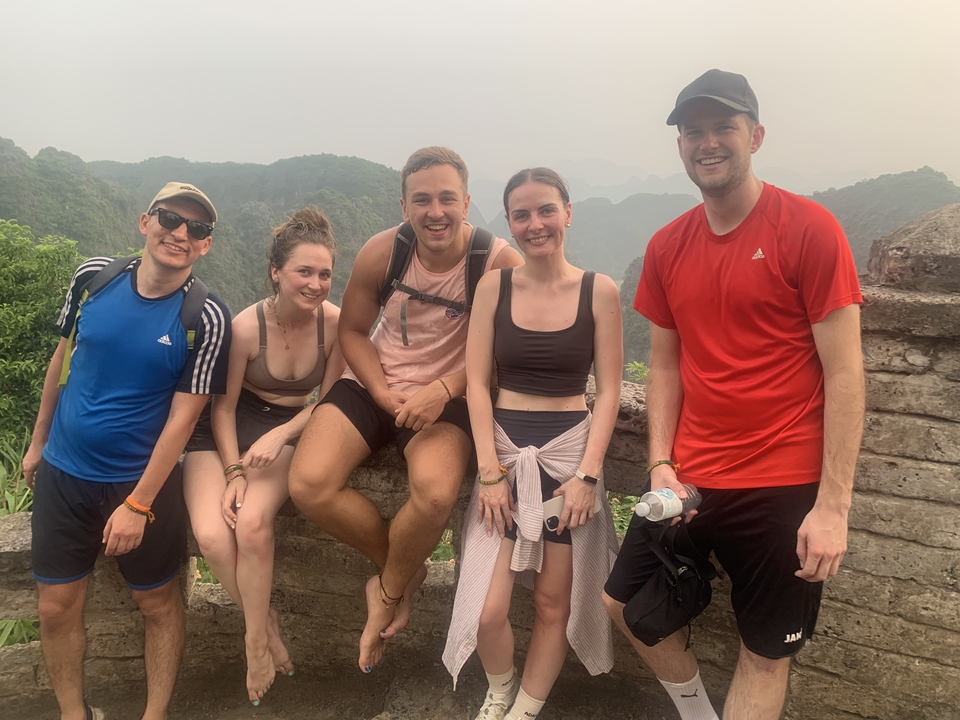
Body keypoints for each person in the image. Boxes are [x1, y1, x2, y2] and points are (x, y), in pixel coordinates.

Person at [601, 69, 865, 720]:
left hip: (783, 481)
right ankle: (696, 711)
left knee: (764, 651)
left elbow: (846, 372)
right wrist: (661, 461)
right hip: (690, 478)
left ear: (756, 136)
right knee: (620, 603)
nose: (707, 142)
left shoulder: (809, 229)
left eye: (724, 127)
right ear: (681, 145)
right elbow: (664, 368)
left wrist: (833, 505)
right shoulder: (667, 247)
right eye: (694, 131)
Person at [288, 146, 523, 674]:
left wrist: (444, 387)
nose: (434, 211)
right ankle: (404, 570)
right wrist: (378, 390)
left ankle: (389, 592)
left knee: (436, 493)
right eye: (422, 200)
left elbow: (508, 353)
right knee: (308, 483)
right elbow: (352, 331)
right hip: (375, 383)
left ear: (466, 201)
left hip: (450, 398)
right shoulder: (383, 252)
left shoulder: (496, 262)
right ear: (403, 205)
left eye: (446, 198)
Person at [21, 183, 231, 720]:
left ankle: (153, 714)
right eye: (169, 218)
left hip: (142, 484)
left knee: (158, 603)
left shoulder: (205, 316)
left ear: (206, 245)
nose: (179, 233)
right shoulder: (93, 277)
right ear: (145, 221)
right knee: (55, 606)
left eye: (196, 228)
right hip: (64, 473)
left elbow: (185, 418)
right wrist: (38, 441)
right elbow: (62, 359)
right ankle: (75, 713)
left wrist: (138, 504)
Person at [444, 168, 623, 720]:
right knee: (487, 610)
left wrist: (588, 476)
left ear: (568, 212)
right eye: (521, 214)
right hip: (505, 456)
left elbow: (611, 389)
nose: (535, 224)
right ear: (510, 223)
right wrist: (490, 472)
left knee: (553, 604)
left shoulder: (599, 290)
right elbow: (476, 383)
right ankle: (498, 686)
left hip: (568, 460)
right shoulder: (494, 287)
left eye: (546, 210)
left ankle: (524, 708)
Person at [181, 207, 345, 706]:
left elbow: (329, 398)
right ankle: (265, 624)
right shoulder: (245, 327)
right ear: (276, 271)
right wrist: (233, 470)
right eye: (304, 272)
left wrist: (283, 435)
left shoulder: (335, 325)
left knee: (251, 524)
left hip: (291, 431)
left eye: (324, 274)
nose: (316, 284)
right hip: (224, 433)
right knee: (211, 534)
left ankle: (254, 645)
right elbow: (223, 408)